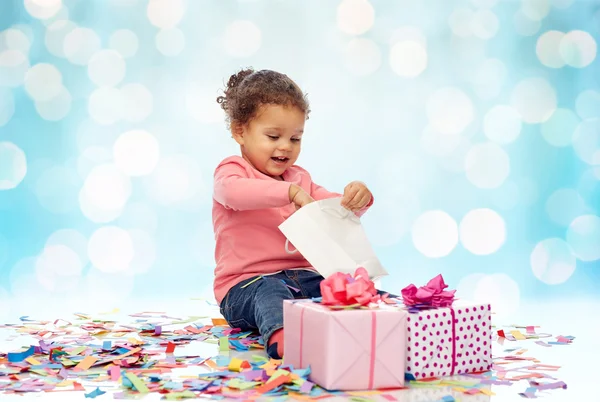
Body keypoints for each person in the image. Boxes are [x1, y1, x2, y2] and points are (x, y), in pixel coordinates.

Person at [212, 68, 376, 359]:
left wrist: (357, 199)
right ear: (240, 131)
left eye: (295, 139)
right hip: (244, 286)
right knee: (271, 294)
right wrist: (288, 193)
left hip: (301, 279)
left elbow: (335, 208)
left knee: (341, 286)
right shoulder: (233, 171)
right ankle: (284, 339)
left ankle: (382, 319)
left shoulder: (300, 178)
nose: (285, 147)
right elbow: (232, 193)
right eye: (273, 136)